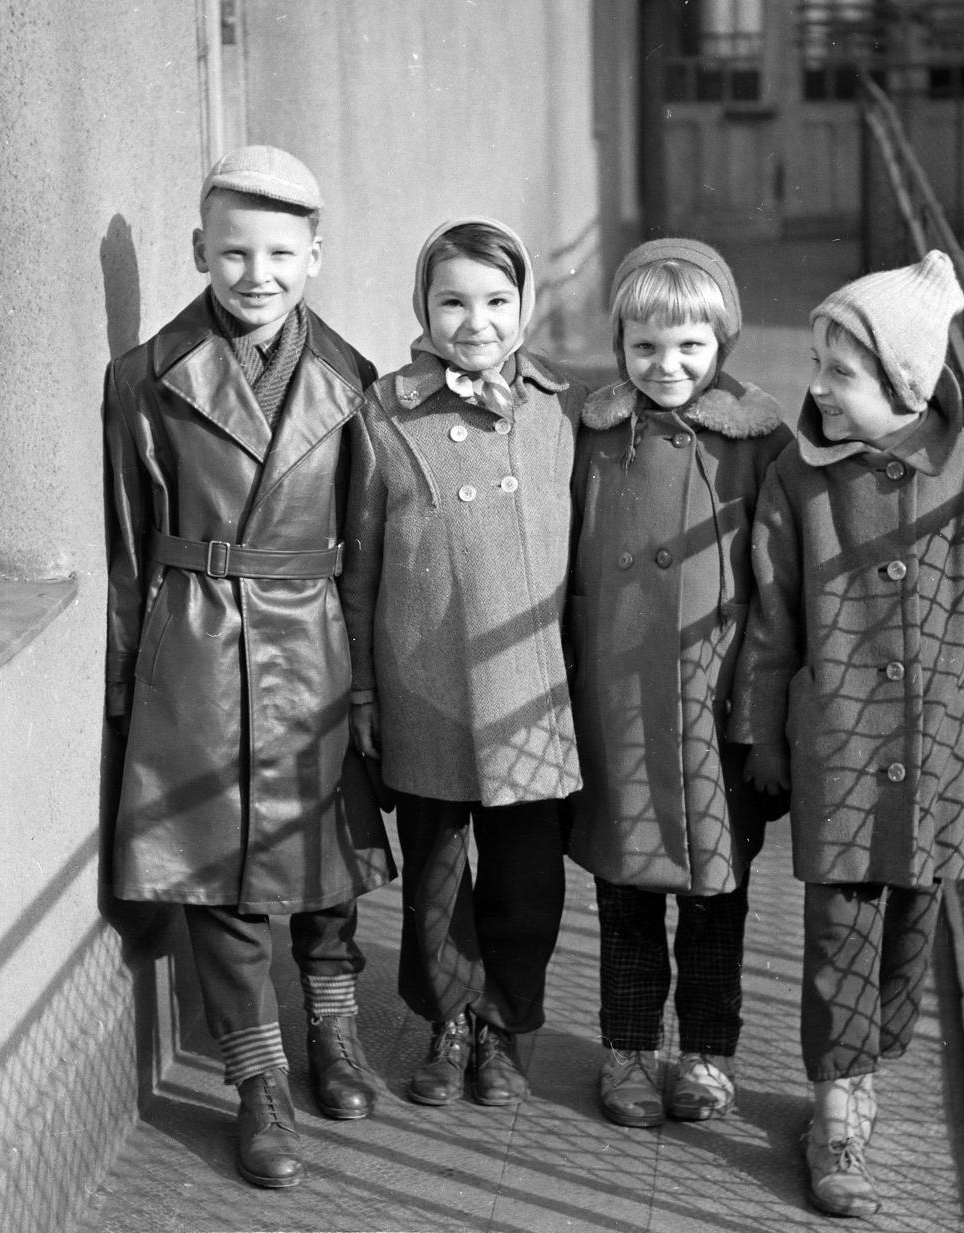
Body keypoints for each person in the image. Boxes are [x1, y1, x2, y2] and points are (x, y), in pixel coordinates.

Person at [103, 145, 395, 1190]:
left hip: (314, 636)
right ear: (198, 251)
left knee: (326, 852)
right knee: (221, 868)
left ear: (314, 256)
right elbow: (131, 547)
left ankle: (333, 1025)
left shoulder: (353, 382)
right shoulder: (143, 378)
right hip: (197, 640)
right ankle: (256, 1079)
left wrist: (367, 684)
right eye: (233, 251)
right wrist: (127, 689)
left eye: (279, 252)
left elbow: (365, 552)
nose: (255, 273)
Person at [730, 250, 964, 1218]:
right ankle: (836, 1106)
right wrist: (762, 730)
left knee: (910, 933)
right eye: (815, 362)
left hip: (938, 744)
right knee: (839, 933)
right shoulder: (800, 482)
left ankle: (872, 1054)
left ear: (904, 383)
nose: (815, 389)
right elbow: (770, 615)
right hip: (840, 742)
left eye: (839, 372)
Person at [339, 216, 585, 1110]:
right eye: (452, 300)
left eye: (495, 300)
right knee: (437, 878)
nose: (474, 320)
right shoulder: (387, 411)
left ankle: (504, 1024)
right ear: (422, 306)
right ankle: (447, 1021)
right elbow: (360, 562)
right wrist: (365, 685)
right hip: (426, 682)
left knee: (527, 881)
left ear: (524, 305)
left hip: (529, 689)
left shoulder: (561, 411)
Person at [566, 239, 792, 1129]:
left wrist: (761, 710)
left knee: (715, 897)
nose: (668, 367)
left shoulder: (756, 440)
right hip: (617, 699)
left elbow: (778, 580)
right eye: (646, 346)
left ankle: (705, 1052)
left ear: (724, 344)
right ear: (620, 342)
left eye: (691, 347)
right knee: (623, 896)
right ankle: (626, 1048)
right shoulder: (594, 435)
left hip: (712, 702)